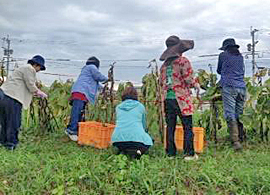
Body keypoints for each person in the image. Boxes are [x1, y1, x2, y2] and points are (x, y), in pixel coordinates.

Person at [159, 35, 200, 160]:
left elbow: (161, 82)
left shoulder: (164, 66)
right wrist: (196, 85)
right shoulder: (183, 61)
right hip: (181, 98)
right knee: (187, 126)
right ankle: (189, 154)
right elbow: (188, 79)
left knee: (170, 127)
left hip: (167, 99)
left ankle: (170, 153)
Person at [0, 55, 48, 150]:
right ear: (36, 65)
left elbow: (23, 86)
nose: (38, 70)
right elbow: (30, 84)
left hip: (4, 95)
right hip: (12, 98)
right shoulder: (29, 68)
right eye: (39, 68)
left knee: (5, 121)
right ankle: (11, 144)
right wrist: (39, 92)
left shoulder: (23, 69)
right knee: (14, 122)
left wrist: (35, 94)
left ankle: (3, 141)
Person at [65, 56, 108, 141]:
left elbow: (96, 84)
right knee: (76, 112)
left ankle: (73, 129)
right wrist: (108, 79)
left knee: (79, 112)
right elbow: (99, 76)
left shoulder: (87, 72)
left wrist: (104, 88)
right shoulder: (91, 67)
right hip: (80, 92)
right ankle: (72, 131)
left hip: (80, 92)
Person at [217, 38, 246, 151]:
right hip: (242, 87)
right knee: (239, 113)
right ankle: (241, 136)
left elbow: (219, 70)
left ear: (225, 48)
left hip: (229, 87)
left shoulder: (223, 55)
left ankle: (235, 142)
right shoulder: (240, 57)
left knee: (230, 113)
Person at [111, 86, 153, 159]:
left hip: (117, 139)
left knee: (123, 144)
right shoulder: (140, 106)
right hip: (136, 140)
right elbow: (143, 124)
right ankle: (138, 152)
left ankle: (123, 151)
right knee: (149, 140)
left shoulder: (118, 107)